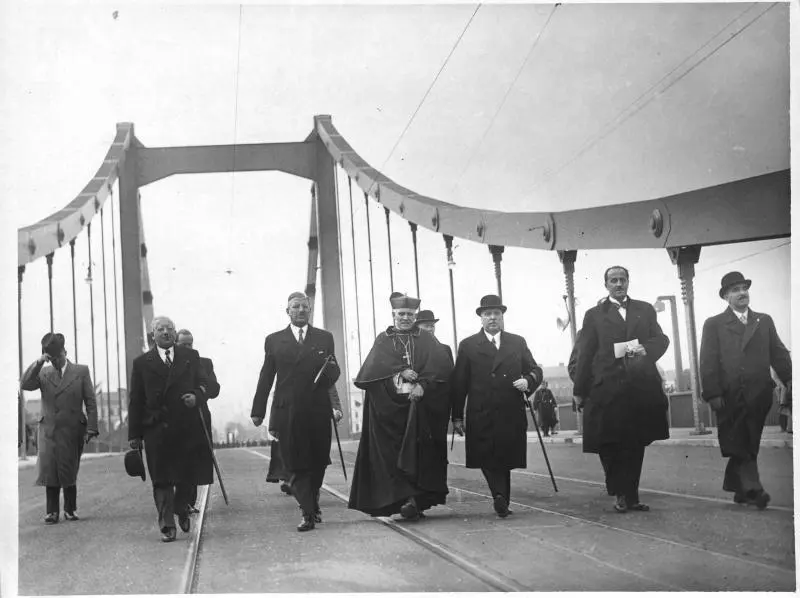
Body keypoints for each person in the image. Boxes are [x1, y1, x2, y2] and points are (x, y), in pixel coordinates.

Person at [573, 266, 670, 513]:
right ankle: (619, 492)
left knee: (635, 443)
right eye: (613, 280)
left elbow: (661, 339)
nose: (619, 284)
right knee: (610, 443)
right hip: (607, 390)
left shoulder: (645, 310)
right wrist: (579, 390)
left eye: (622, 280)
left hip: (638, 389)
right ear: (606, 285)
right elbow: (584, 354)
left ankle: (632, 496)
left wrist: (644, 349)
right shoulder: (594, 315)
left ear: (628, 282)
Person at [348, 293, 453, 521]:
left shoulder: (425, 339)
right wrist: (399, 370)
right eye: (401, 314)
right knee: (391, 456)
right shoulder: (383, 339)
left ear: (414, 315)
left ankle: (414, 501)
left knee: (418, 454)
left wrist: (423, 385)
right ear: (393, 315)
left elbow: (439, 367)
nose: (405, 318)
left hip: (418, 408)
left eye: (409, 314)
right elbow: (372, 370)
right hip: (387, 410)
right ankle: (400, 500)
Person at [699, 271, 792, 509]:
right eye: (735, 290)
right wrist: (712, 393)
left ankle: (739, 489)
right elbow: (707, 362)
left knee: (748, 442)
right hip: (729, 396)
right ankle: (754, 489)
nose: (742, 293)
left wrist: (791, 379)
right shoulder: (714, 324)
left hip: (759, 394)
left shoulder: (764, 320)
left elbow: (779, 354)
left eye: (744, 288)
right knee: (742, 441)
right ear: (726, 297)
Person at [250, 292, 341, 532]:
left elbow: (333, 372)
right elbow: (266, 375)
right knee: (296, 463)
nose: (301, 310)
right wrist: (258, 409)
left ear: (309, 311)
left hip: (317, 409)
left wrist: (331, 375)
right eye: (296, 307)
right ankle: (307, 511)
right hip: (287, 410)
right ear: (287, 311)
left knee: (318, 461)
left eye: (305, 307)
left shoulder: (324, 338)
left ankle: (312, 501)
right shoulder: (274, 340)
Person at [451, 294, 543, 518]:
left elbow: (535, 370)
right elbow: (459, 383)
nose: (492, 318)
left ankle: (501, 496)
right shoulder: (468, 345)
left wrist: (528, 381)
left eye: (496, 314)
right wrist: (457, 416)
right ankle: (499, 496)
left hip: (509, 409)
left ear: (502, 317)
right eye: (487, 314)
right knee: (485, 454)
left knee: (504, 455)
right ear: (480, 318)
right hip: (480, 410)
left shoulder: (517, 342)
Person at [128, 316, 212, 542]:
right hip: (156, 428)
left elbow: (205, 385)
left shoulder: (190, 357)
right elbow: (135, 400)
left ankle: (182, 508)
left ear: (175, 333)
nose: (166, 332)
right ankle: (167, 525)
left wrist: (196, 396)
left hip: (186, 426)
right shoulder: (141, 363)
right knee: (161, 479)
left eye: (169, 329)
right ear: (152, 335)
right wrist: (134, 435)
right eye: (160, 329)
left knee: (187, 476)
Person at [21, 332, 99, 524]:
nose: (55, 361)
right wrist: (40, 361)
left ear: (65, 351)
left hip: (73, 428)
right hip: (48, 429)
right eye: (51, 358)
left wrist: (91, 427)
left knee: (69, 468)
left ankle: (70, 509)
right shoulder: (44, 372)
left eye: (58, 356)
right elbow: (25, 384)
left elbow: (90, 401)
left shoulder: (81, 371)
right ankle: (52, 512)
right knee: (50, 469)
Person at [175, 328, 221, 515]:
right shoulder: (169, 363)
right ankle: (181, 499)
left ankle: (189, 501)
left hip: (198, 416)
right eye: (183, 344)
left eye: (190, 343)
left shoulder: (204, 363)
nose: (188, 347)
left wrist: (199, 393)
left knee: (194, 459)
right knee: (179, 459)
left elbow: (215, 388)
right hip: (176, 418)